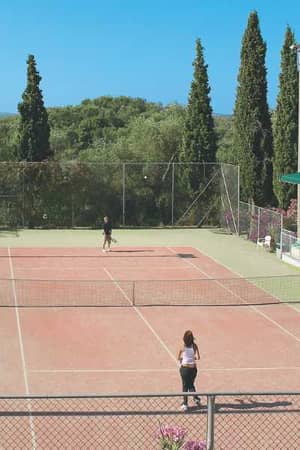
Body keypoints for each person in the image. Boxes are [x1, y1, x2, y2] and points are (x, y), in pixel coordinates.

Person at [178, 330, 201, 411]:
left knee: (185, 385)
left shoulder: (182, 347)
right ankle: (196, 398)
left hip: (184, 369)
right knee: (191, 384)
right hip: (193, 369)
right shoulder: (195, 346)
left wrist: (183, 358)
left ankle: (185, 403)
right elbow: (198, 357)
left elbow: (179, 358)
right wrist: (192, 358)